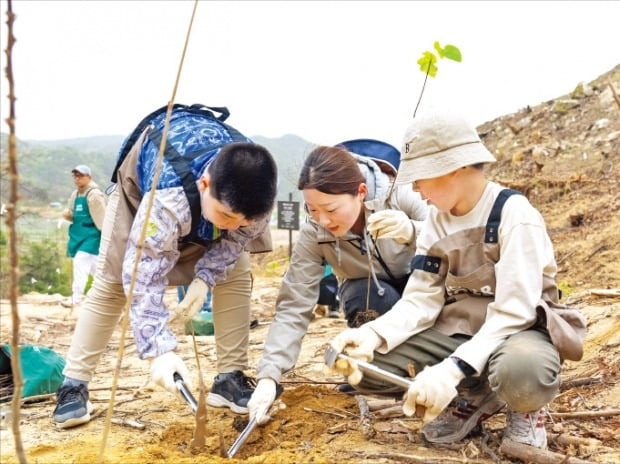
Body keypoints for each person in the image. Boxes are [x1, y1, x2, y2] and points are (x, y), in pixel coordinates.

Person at [326, 111, 587, 449]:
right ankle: (475, 392)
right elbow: (421, 299)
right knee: (366, 369)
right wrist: (372, 335)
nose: (416, 189)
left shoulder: (514, 214)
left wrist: (450, 370)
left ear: (454, 168)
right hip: (460, 330)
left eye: (420, 178)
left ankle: (523, 409)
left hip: (519, 332)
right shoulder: (436, 220)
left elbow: (514, 312)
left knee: (522, 372)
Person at [53, 106, 278, 428]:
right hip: (140, 192)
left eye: (243, 221)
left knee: (236, 272)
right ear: (205, 184)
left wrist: (205, 279)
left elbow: (234, 241)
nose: (232, 226)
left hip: (199, 198)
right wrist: (159, 350)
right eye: (226, 217)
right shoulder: (167, 199)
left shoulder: (255, 202)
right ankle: (74, 384)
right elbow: (143, 275)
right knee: (113, 283)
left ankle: (230, 377)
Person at [247, 141, 429, 424]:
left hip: (423, 291)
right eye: (312, 210)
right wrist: (269, 377)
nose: (323, 220)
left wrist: (414, 231)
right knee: (366, 296)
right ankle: (386, 376)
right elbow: (295, 302)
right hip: (374, 301)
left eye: (330, 209)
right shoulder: (314, 232)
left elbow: (457, 237)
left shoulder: (400, 194)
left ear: (361, 192)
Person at [60, 165, 106, 308]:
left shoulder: (94, 194)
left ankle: (77, 297)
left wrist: (106, 238)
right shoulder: (75, 194)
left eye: (80, 175)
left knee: (80, 262)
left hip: (92, 236)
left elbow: (102, 219)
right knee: (97, 268)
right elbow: (72, 213)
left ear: (89, 177)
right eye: (75, 176)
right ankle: (105, 294)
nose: (77, 178)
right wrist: (67, 215)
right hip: (79, 236)